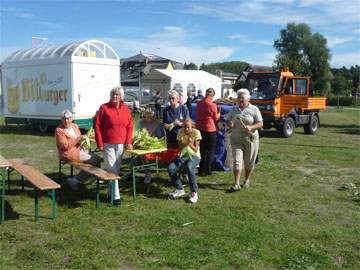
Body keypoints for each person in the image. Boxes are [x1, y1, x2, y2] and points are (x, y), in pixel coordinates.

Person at [95, 86, 133, 206]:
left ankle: (110, 193)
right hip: (108, 144)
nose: (115, 96)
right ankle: (116, 197)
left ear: (121, 97)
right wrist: (100, 142)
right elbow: (97, 125)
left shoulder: (126, 109)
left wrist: (128, 141)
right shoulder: (104, 108)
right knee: (112, 169)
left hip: (121, 144)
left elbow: (130, 126)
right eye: (113, 94)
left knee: (115, 169)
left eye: (117, 94)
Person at [224, 88, 263, 191]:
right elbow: (227, 120)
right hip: (236, 139)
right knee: (237, 161)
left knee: (249, 161)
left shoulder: (254, 109)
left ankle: (246, 180)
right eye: (239, 97)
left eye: (242, 97)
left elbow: (260, 123)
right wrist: (230, 124)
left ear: (248, 99)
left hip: (251, 139)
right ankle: (236, 184)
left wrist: (251, 127)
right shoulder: (233, 109)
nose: (240, 99)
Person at [55, 109, 100, 190]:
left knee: (97, 158)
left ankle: (92, 176)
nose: (66, 120)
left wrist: (87, 137)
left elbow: (79, 138)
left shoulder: (74, 126)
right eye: (64, 119)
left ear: (71, 119)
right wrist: (78, 139)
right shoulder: (59, 130)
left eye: (68, 118)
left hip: (78, 150)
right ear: (61, 119)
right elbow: (64, 146)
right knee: (94, 159)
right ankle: (76, 180)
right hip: (68, 153)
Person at [124, 108, 165, 184]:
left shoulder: (158, 124)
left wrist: (151, 139)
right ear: (144, 116)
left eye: (151, 116)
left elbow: (160, 137)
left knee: (142, 157)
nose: (149, 118)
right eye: (147, 116)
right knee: (135, 160)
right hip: (142, 146)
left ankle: (147, 173)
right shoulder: (140, 123)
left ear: (154, 116)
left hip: (153, 148)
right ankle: (131, 172)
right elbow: (137, 134)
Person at [168, 118, 202, 203]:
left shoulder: (196, 132)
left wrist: (190, 144)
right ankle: (179, 189)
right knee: (171, 168)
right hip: (183, 155)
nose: (186, 129)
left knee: (190, 167)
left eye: (188, 127)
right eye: (184, 127)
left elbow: (195, 150)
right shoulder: (180, 132)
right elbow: (179, 148)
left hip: (195, 156)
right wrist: (186, 143)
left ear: (192, 127)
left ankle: (194, 192)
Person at [196, 88, 220, 176]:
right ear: (213, 95)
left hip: (200, 128)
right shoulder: (212, 105)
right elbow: (215, 118)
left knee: (202, 150)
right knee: (210, 151)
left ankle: (201, 169)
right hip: (210, 129)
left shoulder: (199, 103)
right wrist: (219, 113)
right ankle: (208, 171)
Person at [160, 90, 190, 163]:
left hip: (182, 135)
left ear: (178, 99)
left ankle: (182, 165)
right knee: (172, 155)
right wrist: (167, 125)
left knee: (182, 153)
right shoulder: (166, 110)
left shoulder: (183, 108)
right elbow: (164, 123)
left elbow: (188, 123)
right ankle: (172, 164)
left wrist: (180, 124)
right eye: (169, 98)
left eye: (173, 98)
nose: (171, 100)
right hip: (170, 136)